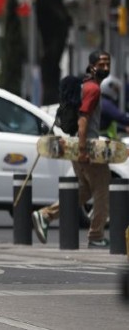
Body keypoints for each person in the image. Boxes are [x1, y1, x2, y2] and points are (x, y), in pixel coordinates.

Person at [32, 51, 112, 248]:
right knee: (103, 190)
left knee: (83, 191)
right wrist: (84, 150)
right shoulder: (93, 89)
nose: (106, 68)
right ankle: (96, 236)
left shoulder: (84, 85)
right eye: (101, 64)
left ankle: (45, 215)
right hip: (88, 148)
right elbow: (83, 118)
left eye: (108, 63)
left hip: (77, 145)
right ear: (92, 65)